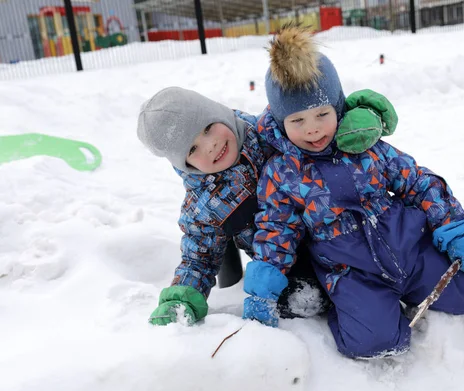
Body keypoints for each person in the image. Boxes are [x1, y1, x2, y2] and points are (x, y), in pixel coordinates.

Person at [242, 24, 464, 358]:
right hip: (351, 272)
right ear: (279, 121)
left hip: (409, 247)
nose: (313, 127)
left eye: (322, 114)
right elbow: (277, 229)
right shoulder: (281, 172)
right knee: (374, 342)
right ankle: (348, 310)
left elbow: (418, 181)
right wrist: (263, 291)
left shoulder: (366, 146)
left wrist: (454, 228)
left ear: (337, 107)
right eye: (297, 121)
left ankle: (410, 289)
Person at [136, 84, 396, 326]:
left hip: (342, 228)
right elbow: (198, 257)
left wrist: (361, 113)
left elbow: (314, 114)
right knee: (313, 295)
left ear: (217, 111)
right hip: (288, 266)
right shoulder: (205, 206)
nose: (211, 145)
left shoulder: (269, 131)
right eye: (192, 149)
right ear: (183, 163)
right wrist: (181, 298)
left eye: (207, 128)